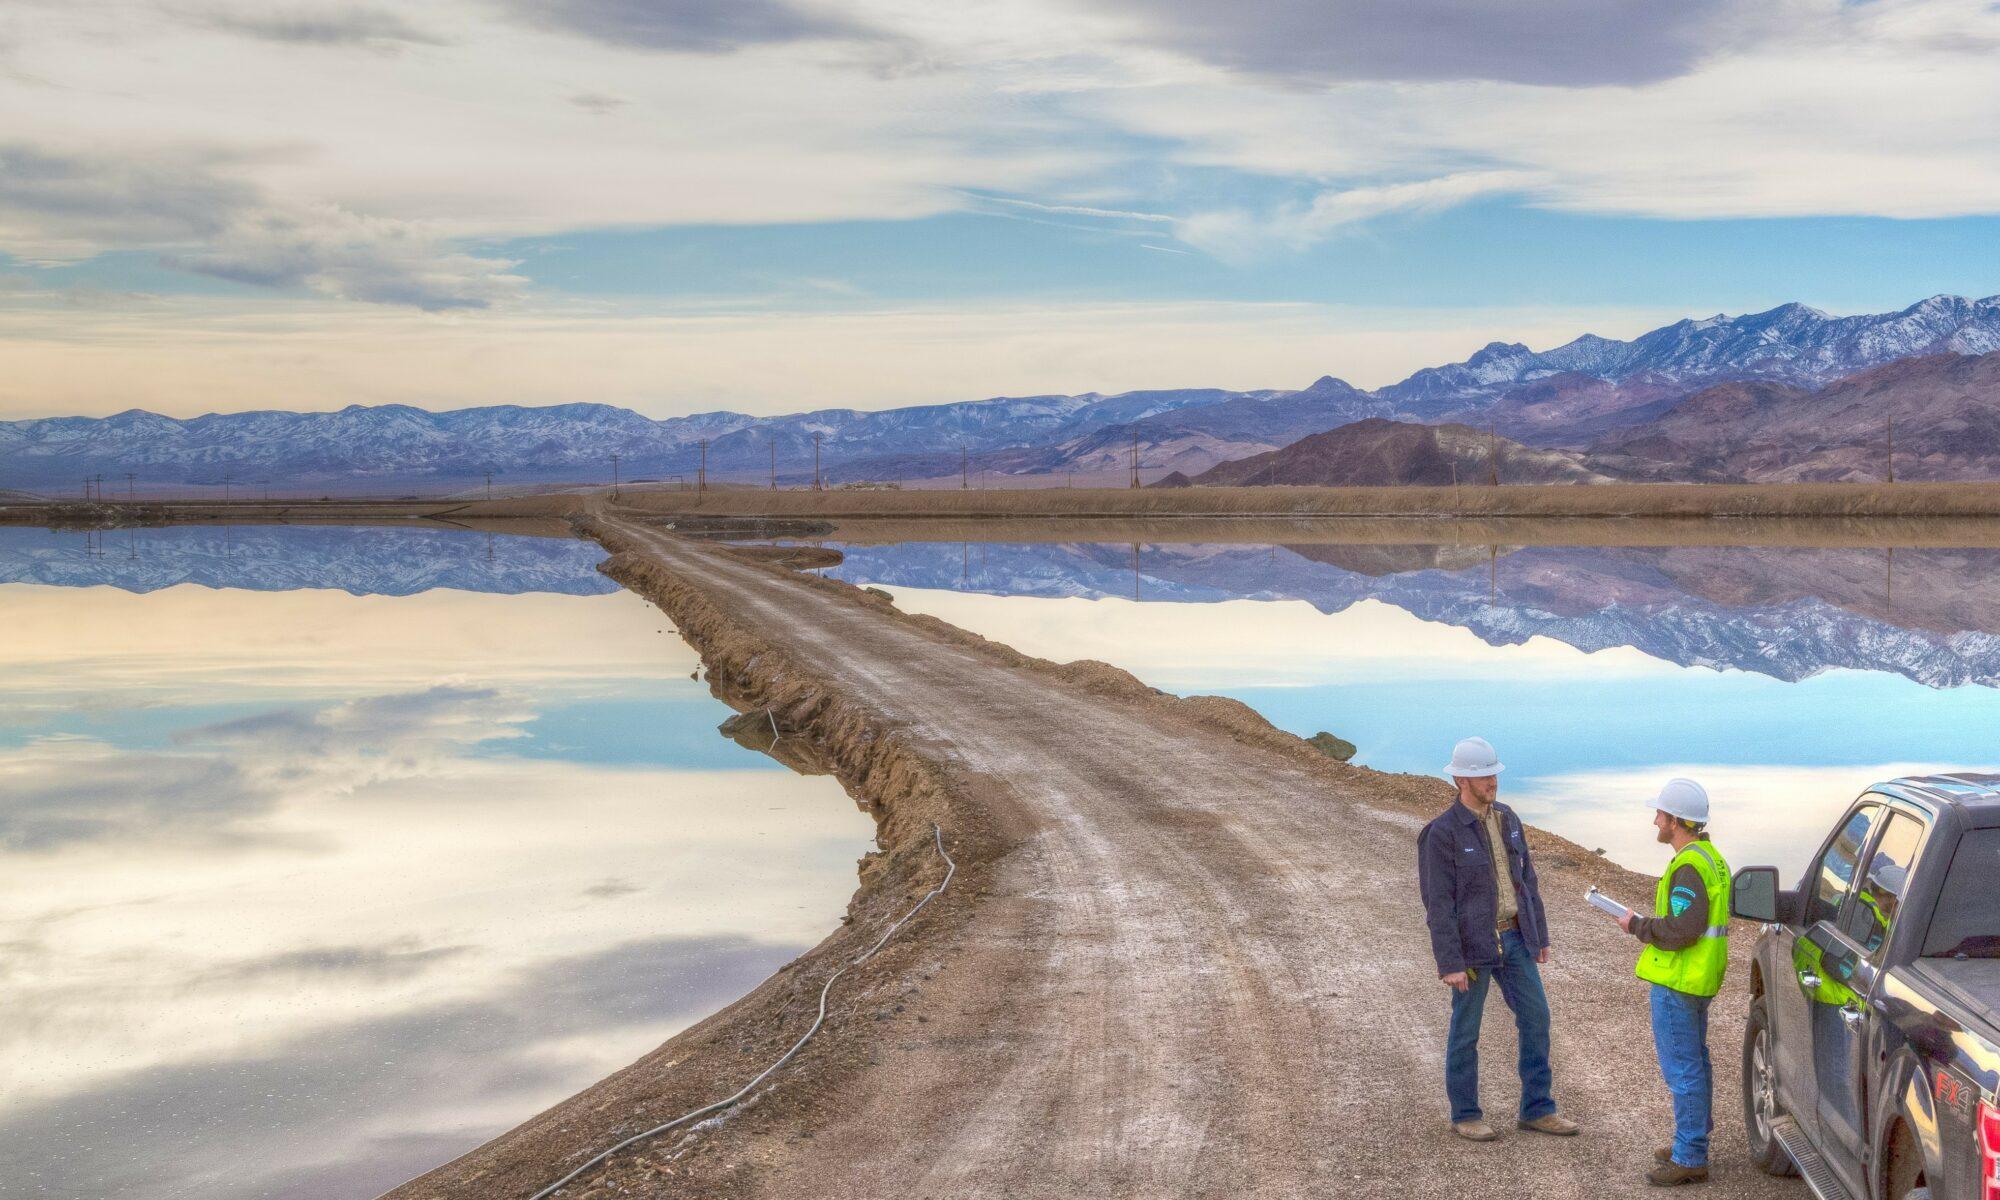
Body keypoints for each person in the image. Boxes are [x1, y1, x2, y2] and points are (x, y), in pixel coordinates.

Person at [1417, 737, 1579, 1142]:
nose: (1491, 782)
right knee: (1466, 1030)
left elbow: (1527, 882)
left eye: (1492, 774)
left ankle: (1538, 1109)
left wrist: (1538, 935)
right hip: (1473, 947)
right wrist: (1450, 963)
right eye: (1482, 776)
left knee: (1537, 1018)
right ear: (1460, 780)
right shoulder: (1441, 833)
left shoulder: (1507, 818)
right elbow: (1438, 904)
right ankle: (1466, 1113)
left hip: (1516, 940)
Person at [1619, 778, 1731, 1187]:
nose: (1655, 821)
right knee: (1696, 1065)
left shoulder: (1688, 865)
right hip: (1699, 981)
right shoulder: (1711, 857)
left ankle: (1690, 1155)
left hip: (1679, 982)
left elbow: (1683, 928)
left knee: (1683, 1070)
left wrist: (1636, 925)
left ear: (1677, 821)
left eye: (1661, 815)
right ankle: (1692, 1139)